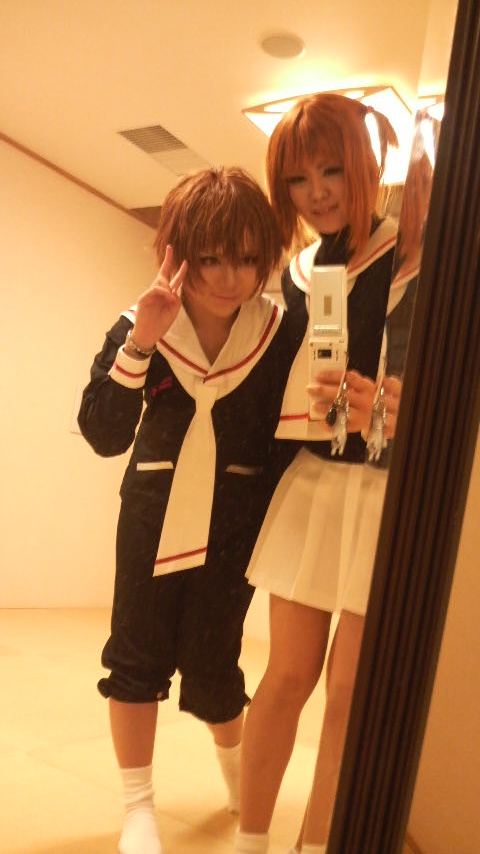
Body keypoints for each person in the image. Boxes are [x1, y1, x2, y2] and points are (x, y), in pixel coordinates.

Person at [77, 166, 302, 854]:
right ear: (180, 252)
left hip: (236, 521)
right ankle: (138, 807)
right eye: (211, 259)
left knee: (214, 661)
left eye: (247, 259)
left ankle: (238, 777)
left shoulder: (280, 333)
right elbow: (103, 433)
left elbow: (287, 444)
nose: (231, 277)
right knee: (136, 655)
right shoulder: (142, 320)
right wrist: (141, 341)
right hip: (152, 512)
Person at [234, 94, 409, 854]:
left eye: (331, 170)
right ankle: (249, 842)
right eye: (298, 180)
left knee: (349, 692)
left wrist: (397, 408)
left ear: (365, 164)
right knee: (285, 677)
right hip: (315, 480)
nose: (317, 193)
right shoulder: (303, 271)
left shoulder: (416, 253)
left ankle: (317, 846)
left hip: (389, 491)